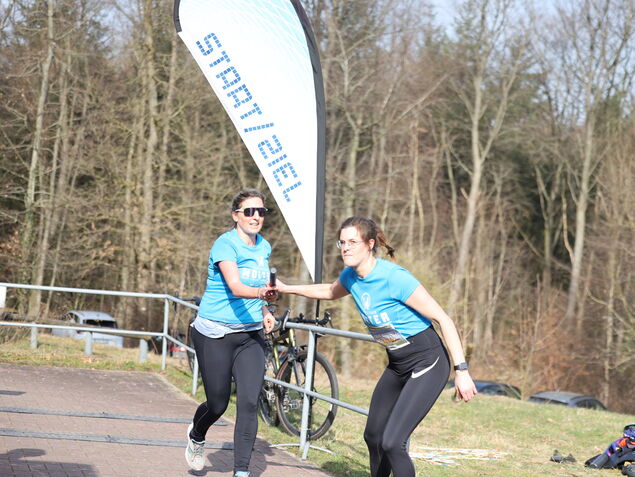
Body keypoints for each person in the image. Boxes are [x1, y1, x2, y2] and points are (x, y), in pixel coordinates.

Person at [276, 216, 477, 477]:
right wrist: (286, 288)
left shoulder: (394, 277)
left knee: (393, 443)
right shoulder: (351, 276)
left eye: (352, 242)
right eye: (342, 242)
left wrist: (462, 370)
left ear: (370, 244)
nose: (345, 248)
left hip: (428, 361)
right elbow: (328, 291)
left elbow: (443, 319)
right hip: (397, 363)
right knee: (373, 436)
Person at [185, 188, 277, 477]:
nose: (256, 216)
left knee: (249, 402)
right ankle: (197, 434)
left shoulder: (264, 246)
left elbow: (261, 286)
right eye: (249, 211)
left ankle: (241, 471)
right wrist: (262, 293)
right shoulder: (225, 245)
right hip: (215, 333)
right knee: (218, 404)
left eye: (261, 211)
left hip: (250, 336)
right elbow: (236, 287)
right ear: (236, 216)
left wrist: (265, 310)